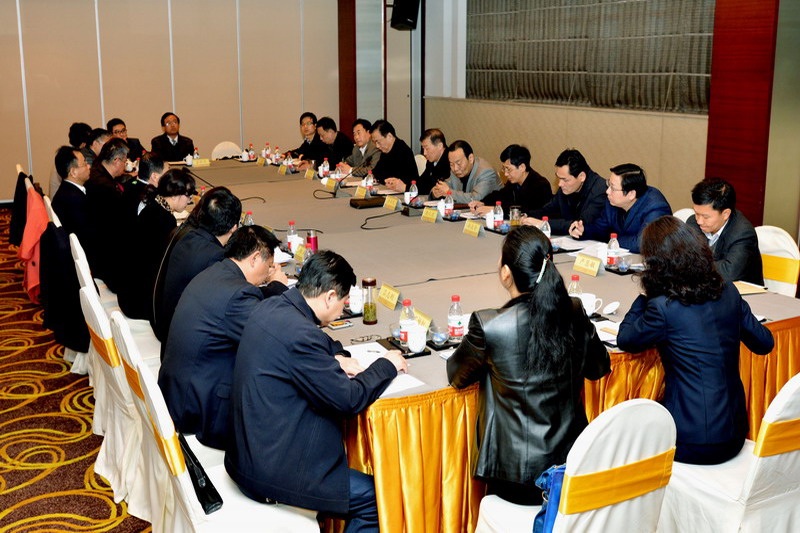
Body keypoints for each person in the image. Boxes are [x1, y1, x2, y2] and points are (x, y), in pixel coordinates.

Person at [225, 251, 407, 531]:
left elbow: (317, 340)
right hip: (272, 471)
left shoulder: (272, 306)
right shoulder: (301, 335)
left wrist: (336, 355)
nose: (342, 311)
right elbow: (348, 399)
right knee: (377, 499)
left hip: (249, 452)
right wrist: (386, 365)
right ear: (330, 297)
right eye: (343, 302)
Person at [447, 226, 610, 504]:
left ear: (506, 273)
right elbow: (599, 368)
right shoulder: (573, 310)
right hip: (570, 465)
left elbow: (457, 375)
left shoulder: (490, 325)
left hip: (514, 478)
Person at [618, 216, 774, 465]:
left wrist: (644, 298)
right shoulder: (729, 291)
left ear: (655, 263)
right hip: (735, 432)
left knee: (627, 432)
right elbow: (764, 343)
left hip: (690, 441)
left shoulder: (662, 306)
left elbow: (626, 340)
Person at [159, 225, 289, 449]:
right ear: (255, 258)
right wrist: (278, 287)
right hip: (201, 410)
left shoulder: (215, 272)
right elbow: (271, 335)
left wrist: (272, 287)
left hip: (178, 392)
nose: (268, 272)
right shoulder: (238, 294)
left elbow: (246, 305)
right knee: (285, 403)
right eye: (269, 266)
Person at [152, 186, 241, 343]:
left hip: (165, 323)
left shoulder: (188, 236)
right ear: (234, 227)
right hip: (180, 338)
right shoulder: (214, 256)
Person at [117, 168, 196, 321]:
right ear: (176, 195)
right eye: (188, 195)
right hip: (138, 300)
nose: (189, 200)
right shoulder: (164, 219)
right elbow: (164, 265)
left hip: (128, 290)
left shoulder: (153, 206)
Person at [569, 163, 671, 252]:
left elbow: (643, 244)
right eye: (608, 185)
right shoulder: (612, 201)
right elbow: (601, 228)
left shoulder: (656, 207)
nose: (607, 191)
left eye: (613, 188)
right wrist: (583, 230)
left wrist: (612, 240)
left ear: (631, 194)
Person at [686, 178, 763, 285]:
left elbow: (728, 273)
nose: (699, 221)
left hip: (741, 292)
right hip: (706, 287)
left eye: (705, 217)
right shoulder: (693, 223)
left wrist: (692, 266)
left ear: (725, 214)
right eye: (696, 213)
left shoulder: (742, 233)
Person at [523, 149, 607, 235]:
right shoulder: (565, 187)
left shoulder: (600, 191)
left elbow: (579, 225)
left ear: (581, 177)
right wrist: (525, 216)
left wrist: (542, 224)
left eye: (565, 180)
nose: (560, 184)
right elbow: (547, 210)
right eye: (558, 178)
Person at [84, 137, 130, 289]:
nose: (125, 165)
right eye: (125, 161)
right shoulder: (104, 187)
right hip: (105, 255)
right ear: (116, 160)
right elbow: (120, 222)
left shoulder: (97, 171)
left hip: (98, 240)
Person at [469, 144, 553, 218]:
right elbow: (500, 195)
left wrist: (494, 210)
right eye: (504, 169)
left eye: (508, 169)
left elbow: (525, 210)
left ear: (522, 167)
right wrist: (483, 203)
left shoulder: (541, 185)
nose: (506, 174)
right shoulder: (513, 182)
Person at [430, 140, 501, 204]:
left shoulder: (486, 172)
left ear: (470, 158)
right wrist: (435, 192)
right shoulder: (456, 170)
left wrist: (449, 192)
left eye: (458, 163)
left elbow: (477, 198)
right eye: (451, 164)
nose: (455, 168)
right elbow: (446, 185)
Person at [51, 146, 91, 246]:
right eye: (85, 164)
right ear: (73, 172)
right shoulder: (74, 201)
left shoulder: (66, 190)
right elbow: (88, 237)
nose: (89, 166)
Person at [370, 119, 419, 191]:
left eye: (378, 142)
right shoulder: (385, 151)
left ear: (389, 136)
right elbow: (377, 171)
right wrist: (371, 175)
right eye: (374, 142)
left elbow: (398, 178)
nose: (377, 146)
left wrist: (379, 178)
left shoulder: (402, 150)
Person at [414, 128, 450, 195]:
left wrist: (406, 188)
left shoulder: (450, 161)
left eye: (427, 148)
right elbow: (422, 181)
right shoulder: (431, 161)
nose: (424, 153)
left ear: (440, 146)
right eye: (423, 148)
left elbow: (433, 187)